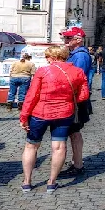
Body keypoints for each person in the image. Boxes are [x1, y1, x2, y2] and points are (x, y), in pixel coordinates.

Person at [19, 45, 89, 193]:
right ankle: (51, 182)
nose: (46, 60)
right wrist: (70, 99)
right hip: (64, 113)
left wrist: (24, 116)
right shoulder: (78, 72)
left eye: (47, 57)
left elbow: (32, 96)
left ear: (54, 57)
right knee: (58, 147)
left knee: (31, 146)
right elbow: (84, 96)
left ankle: (27, 182)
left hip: (40, 113)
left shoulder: (43, 71)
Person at [60, 27, 94, 176]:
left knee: (74, 132)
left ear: (78, 39)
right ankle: (76, 161)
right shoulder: (74, 54)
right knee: (73, 131)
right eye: (65, 38)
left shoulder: (80, 56)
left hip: (75, 99)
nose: (65, 40)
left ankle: (78, 164)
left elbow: (74, 79)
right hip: (74, 97)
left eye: (68, 38)